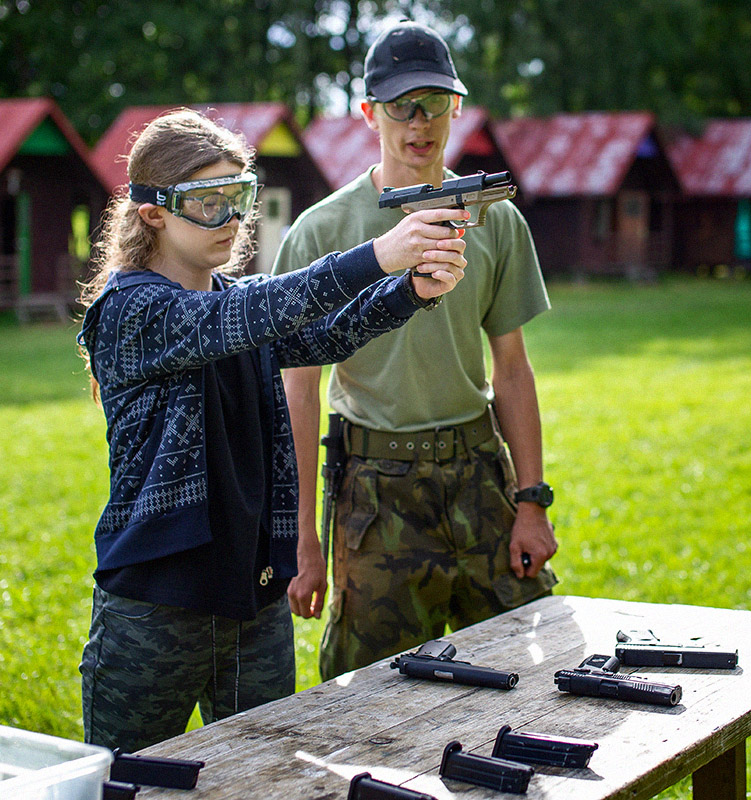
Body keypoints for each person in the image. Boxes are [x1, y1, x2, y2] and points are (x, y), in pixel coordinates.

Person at [76, 108, 468, 752]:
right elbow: (255, 311)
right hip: (155, 611)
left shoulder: (231, 303)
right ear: (152, 212)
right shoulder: (131, 308)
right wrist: (378, 255)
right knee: (132, 786)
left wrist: (411, 290)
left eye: (240, 198)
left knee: (273, 781)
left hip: (255, 603)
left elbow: (325, 332)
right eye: (207, 202)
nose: (230, 220)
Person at [273, 21, 557, 681]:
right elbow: (299, 391)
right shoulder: (323, 231)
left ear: (456, 108)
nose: (419, 122)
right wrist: (303, 537)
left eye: (436, 103)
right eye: (402, 106)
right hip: (376, 493)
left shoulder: (494, 218)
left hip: (479, 479)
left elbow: (512, 371)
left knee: (534, 677)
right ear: (370, 113)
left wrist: (531, 500)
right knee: (370, 700)